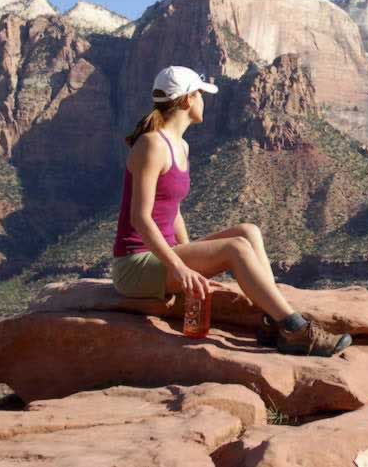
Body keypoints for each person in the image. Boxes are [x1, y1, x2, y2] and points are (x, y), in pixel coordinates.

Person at [111, 65, 351, 357]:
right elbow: (141, 217)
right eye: (200, 94)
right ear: (187, 100)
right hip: (135, 266)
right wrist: (180, 266)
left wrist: (189, 252)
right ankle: (296, 329)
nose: (204, 101)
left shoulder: (181, 146)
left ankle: (272, 322)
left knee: (248, 231)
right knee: (236, 248)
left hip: (162, 254)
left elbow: (172, 208)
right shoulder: (152, 144)